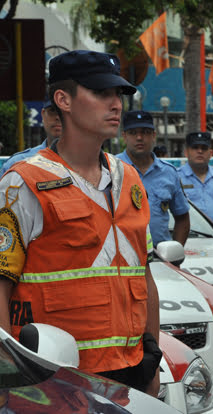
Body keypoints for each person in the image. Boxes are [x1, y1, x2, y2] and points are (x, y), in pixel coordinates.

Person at [0, 50, 160, 396]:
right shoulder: (23, 182)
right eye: (101, 93)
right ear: (63, 100)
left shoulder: (130, 179)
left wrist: (153, 359)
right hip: (55, 380)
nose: (115, 104)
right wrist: (10, 378)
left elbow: (145, 277)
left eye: (118, 94)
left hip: (132, 372)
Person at [117, 110, 189, 247]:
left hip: (160, 257)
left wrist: (174, 253)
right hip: (123, 261)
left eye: (145, 132)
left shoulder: (169, 172)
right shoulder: (110, 168)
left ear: (153, 135)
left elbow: (182, 217)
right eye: (133, 133)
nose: (139, 137)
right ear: (124, 136)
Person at [0, 98, 63, 175]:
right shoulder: (16, 163)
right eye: (52, 111)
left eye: (64, 112)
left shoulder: (81, 162)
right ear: (43, 115)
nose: (58, 117)